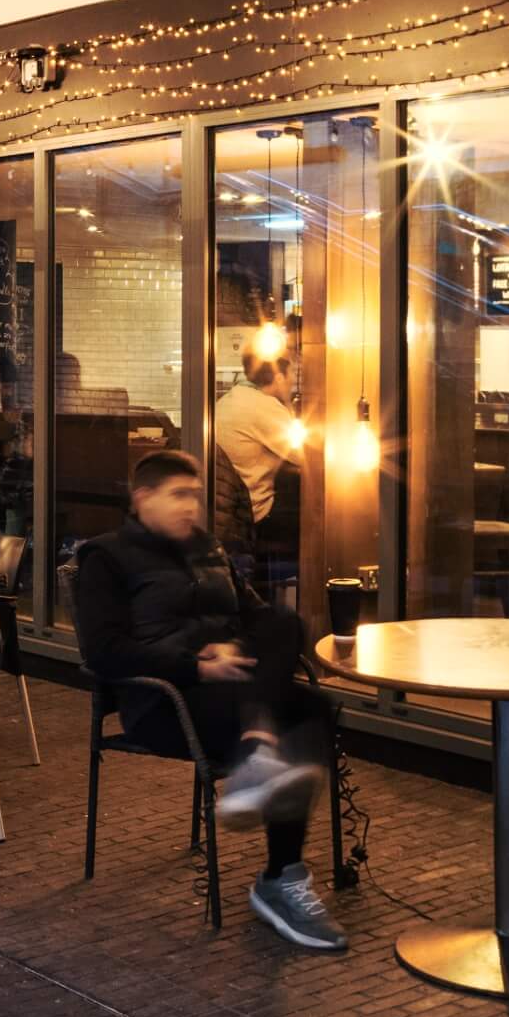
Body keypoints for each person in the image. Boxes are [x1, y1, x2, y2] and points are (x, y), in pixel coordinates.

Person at [70, 450, 349, 951]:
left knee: (293, 644)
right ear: (142, 498)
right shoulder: (105, 557)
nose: (190, 507)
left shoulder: (208, 548)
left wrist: (233, 648)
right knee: (298, 718)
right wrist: (195, 665)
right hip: (165, 701)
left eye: (195, 496)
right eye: (178, 495)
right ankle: (280, 874)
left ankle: (258, 761)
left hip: (234, 687)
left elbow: (259, 618)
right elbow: (104, 652)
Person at [212, 355, 300, 543]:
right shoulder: (264, 407)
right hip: (252, 511)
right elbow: (305, 455)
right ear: (279, 378)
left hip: (225, 505)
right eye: (292, 373)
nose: (294, 380)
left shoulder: (232, 397)